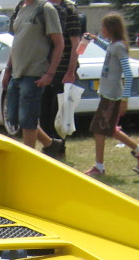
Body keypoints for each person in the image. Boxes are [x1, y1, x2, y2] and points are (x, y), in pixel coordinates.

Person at [85, 14, 139, 176]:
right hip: (107, 94)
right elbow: (108, 49)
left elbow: (128, 72)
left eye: (103, 27)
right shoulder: (113, 45)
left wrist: (125, 98)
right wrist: (95, 39)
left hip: (112, 97)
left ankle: (99, 167)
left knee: (99, 130)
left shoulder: (119, 47)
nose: (101, 29)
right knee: (111, 130)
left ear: (111, 28)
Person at [2, 0, 63, 152]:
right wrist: (8, 69)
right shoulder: (20, 8)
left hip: (34, 73)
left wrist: (50, 73)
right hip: (16, 73)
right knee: (15, 117)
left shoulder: (45, 9)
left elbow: (59, 43)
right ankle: (51, 144)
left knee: (28, 120)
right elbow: (16, 41)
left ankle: (28, 157)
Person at [37, 0, 84, 157]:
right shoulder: (43, 7)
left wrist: (70, 71)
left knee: (59, 113)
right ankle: (49, 147)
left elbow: (76, 43)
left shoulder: (69, 9)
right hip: (45, 69)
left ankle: (59, 148)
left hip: (62, 71)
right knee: (44, 113)